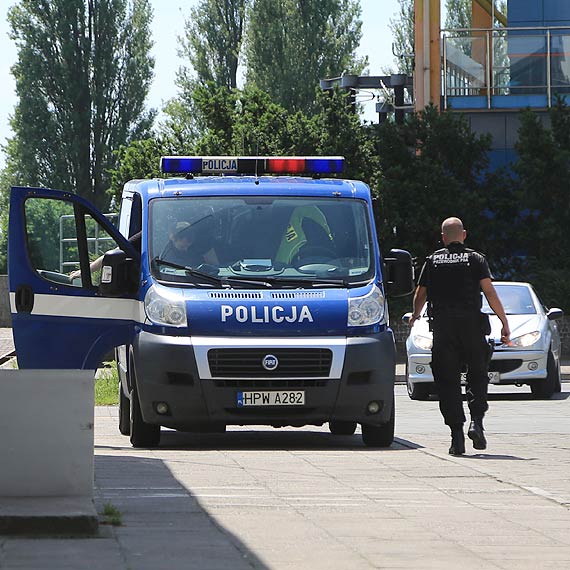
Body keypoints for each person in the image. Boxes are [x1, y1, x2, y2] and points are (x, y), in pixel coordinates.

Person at [410, 217, 510, 456]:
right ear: (463, 235)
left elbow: (420, 293)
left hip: (444, 329)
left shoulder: (433, 260)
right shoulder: (476, 259)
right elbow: (489, 292)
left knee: (447, 382)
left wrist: (415, 315)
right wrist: (504, 323)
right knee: (477, 376)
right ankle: (477, 422)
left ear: (443, 237)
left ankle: (457, 437)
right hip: (472, 328)